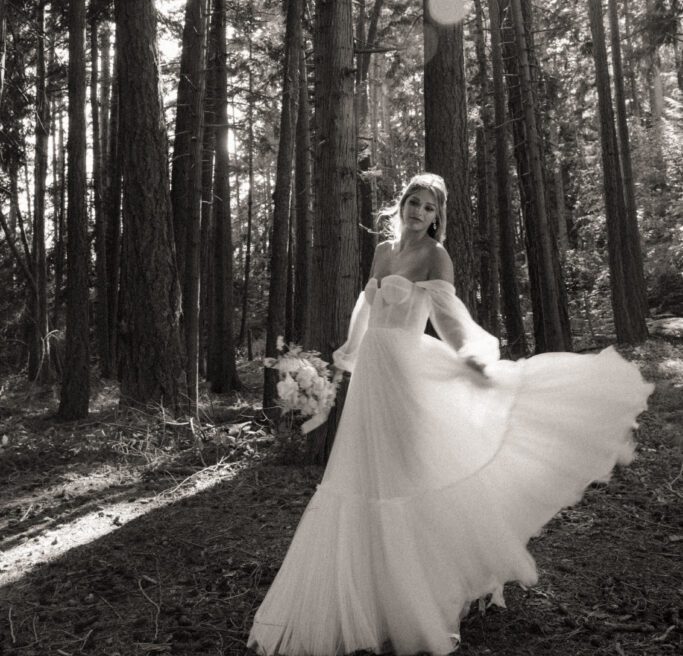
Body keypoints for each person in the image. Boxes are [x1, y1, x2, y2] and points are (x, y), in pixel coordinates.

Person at [248, 173, 653, 656]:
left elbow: (447, 318)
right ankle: (371, 589)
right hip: (372, 376)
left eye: (428, 206)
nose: (418, 211)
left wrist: (470, 357)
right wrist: (350, 349)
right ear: (400, 206)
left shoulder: (435, 257)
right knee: (364, 476)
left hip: (407, 376)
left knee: (406, 474)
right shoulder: (381, 251)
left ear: (438, 217)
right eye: (412, 201)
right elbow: (366, 303)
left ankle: (422, 589)